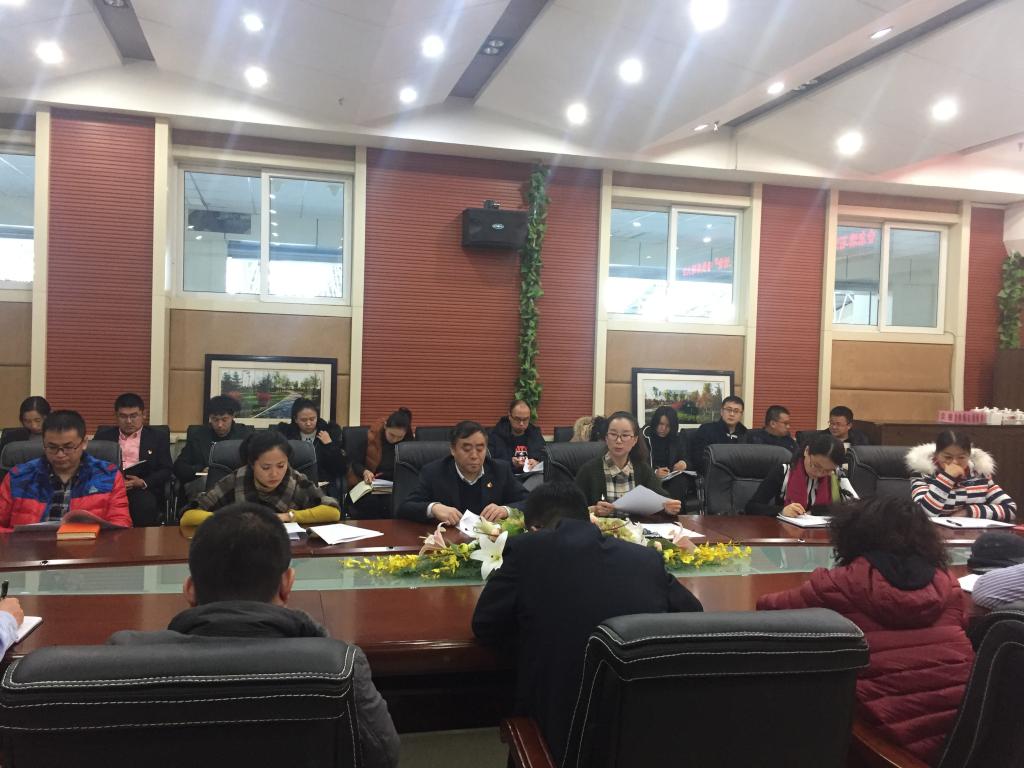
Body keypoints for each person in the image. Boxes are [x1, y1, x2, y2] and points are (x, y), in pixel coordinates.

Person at [108, 502, 399, 768]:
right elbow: (383, 756)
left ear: (189, 589)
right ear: (286, 585)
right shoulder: (338, 666)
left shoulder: (124, 662)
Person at [473, 482, 702, 765]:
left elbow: (486, 625)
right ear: (590, 520)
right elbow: (692, 616)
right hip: (642, 734)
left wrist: (538, 637)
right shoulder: (646, 559)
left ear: (534, 529)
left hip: (558, 739)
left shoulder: (526, 550)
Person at [757, 497, 974, 765]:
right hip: (963, 741)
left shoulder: (838, 584)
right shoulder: (948, 586)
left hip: (882, 749)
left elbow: (767, 609)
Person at [0, 410, 131, 530]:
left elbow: (120, 527)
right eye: (52, 447)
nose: (60, 454)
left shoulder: (108, 476)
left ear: (84, 443)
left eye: (68, 447)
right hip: (27, 547)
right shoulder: (18, 476)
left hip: (87, 546)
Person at [180, 430, 340, 528]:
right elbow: (189, 517)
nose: (274, 474)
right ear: (252, 464)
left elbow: (332, 512)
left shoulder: (295, 479)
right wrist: (232, 518)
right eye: (265, 467)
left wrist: (287, 517)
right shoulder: (236, 480)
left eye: (281, 465)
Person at [397, 420, 528, 525]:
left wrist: (505, 510)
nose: (474, 456)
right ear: (453, 450)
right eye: (467, 449)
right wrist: (433, 508)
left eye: (480, 449)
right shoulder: (433, 472)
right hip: (447, 543)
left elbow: (530, 501)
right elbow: (404, 507)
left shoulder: (500, 470)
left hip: (489, 542)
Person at [575, 411, 681, 516]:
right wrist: (593, 510)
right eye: (613, 434)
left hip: (636, 527)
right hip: (600, 527)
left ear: (635, 440)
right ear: (606, 438)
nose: (618, 440)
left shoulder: (643, 469)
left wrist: (669, 507)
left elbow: (662, 500)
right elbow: (572, 510)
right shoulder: (588, 471)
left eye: (625, 435)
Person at [94, 393, 172, 527]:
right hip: (108, 488)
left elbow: (166, 469)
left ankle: (140, 540)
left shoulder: (158, 437)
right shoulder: (103, 436)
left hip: (141, 488)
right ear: (116, 416)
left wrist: (143, 482)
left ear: (143, 414)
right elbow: (93, 466)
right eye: (123, 416)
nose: (129, 421)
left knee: (144, 504)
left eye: (134, 416)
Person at [907, 430, 1016, 521]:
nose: (955, 462)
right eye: (947, 457)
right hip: (934, 535)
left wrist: (968, 512)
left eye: (961, 457)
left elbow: (1010, 509)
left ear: (969, 456)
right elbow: (924, 513)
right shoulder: (923, 474)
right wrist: (946, 477)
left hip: (974, 533)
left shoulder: (980, 474)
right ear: (936, 455)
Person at [745, 433, 856, 517]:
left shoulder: (835, 475)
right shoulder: (783, 471)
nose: (819, 473)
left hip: (821, 534)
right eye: (816, 466)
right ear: (806, 451)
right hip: (785, 533)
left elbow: (855, 508)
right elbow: (751, 507)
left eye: (827, 470)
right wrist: (781, 511)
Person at [173, 395, 254, 501]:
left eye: (224, 419)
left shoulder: (245, 435)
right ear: (210, 418)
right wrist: (200, 469)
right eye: (215, 420)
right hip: (203, 487)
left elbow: (254, 464)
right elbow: (179, 467)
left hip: (236, 484)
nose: (220, 425)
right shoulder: (198, 436)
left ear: (232, 416)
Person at [346, 407, 414, 520]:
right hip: (368, 484)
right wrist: (365, 471)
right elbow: (355, 462)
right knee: (370, 502)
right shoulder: (371, 439)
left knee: (393, 503)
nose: (395, 440)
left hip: (394, 486)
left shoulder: (409, 444)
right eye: (392, 435)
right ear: (385, 426)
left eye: (400, 437)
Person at [275, 398, 346, 498]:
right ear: (295, 419)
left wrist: (329, 445)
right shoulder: (286, 435)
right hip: (293, 484)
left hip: (324, 486)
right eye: (303, 420)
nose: (308, 423)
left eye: (312, 419)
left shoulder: (329, 432)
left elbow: (340, 468)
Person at [640, 405, 692, 503]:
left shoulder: (676, 439)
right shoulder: (643, 437)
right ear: (655, 422)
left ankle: (674, 510)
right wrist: (654, 472)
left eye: (668, 426)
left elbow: (688, 459)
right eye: (661, 424)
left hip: (671, 479)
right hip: (649, 479)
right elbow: (638, 464)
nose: (663, 429)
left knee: (680, 481)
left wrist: (684, 463)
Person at [688, 395, 748, 474]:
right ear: (721, 412)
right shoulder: (706, 430)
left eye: (736, 411)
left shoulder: (746, 434)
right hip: (712, 475)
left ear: (741, 415)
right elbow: (698, 459)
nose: (732, 414)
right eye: (728, 410)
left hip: (738, 477)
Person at [488, 399, 548, 473]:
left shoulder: (535, 433)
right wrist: (511, 462)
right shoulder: (495, 435)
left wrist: (537, 463)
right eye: (517, 419)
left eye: (525, 419)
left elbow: (546, 456)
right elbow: (490, 462)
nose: (521, 423)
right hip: (506, 475)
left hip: (531, 476)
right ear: (510, 416)